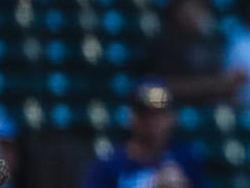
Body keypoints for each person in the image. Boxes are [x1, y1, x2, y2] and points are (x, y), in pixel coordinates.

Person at [81, 79, 209, 188]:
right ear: (131, 117)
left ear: (172, 117)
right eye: (144, 114)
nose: (152, 121)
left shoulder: (186, 158)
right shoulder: (109, 164)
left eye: (159, 113)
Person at [142, 0, 245, 104]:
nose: (192, 12)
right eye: (187, 5)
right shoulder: (163, 44)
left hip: (209, 114)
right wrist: (216, 84)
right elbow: (156, 91)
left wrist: (230, 84)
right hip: (171, 113)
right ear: (176, 8)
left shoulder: (211, 43)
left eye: (198, 6)